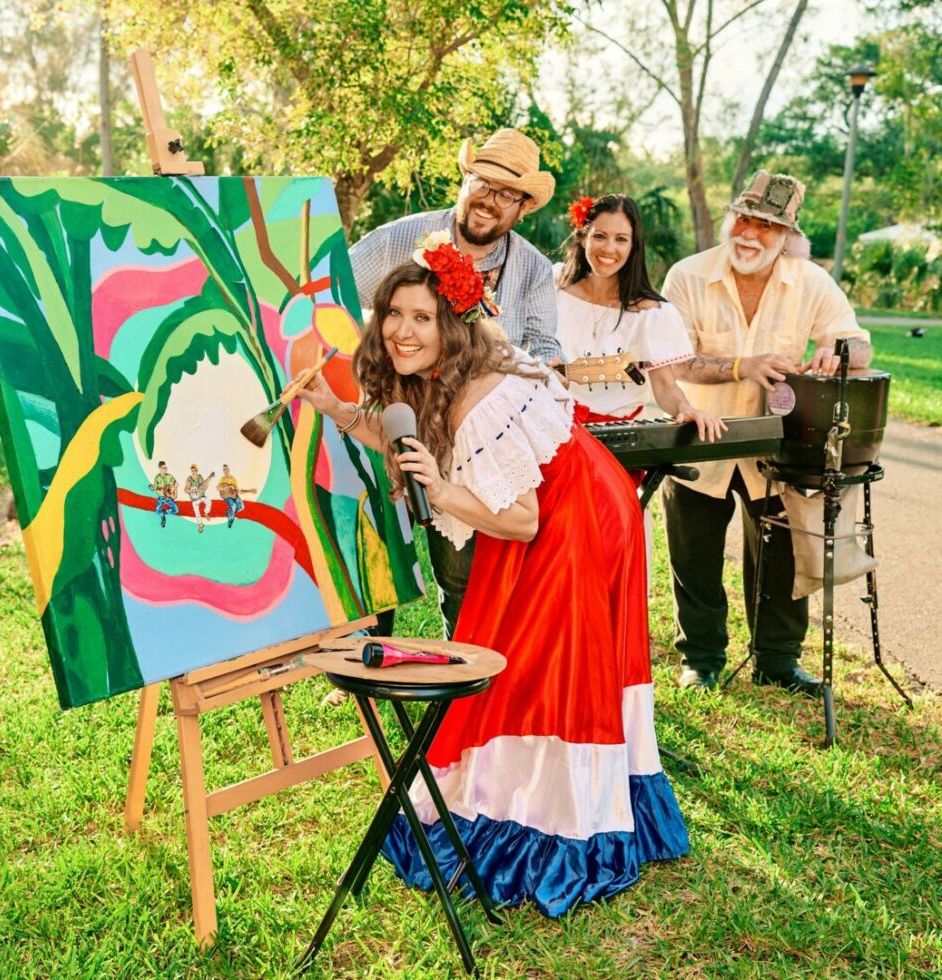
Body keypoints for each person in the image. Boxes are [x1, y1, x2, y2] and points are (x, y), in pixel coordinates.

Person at [299, 237, 689, 915]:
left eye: (421, 317)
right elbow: (405, 438)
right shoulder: (436, 376)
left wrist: (439, 489)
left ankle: (555, 816)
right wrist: (336, 410)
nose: (401, 330)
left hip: (574, 517)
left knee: (547, 665)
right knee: (516, 654)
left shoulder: (482, 397)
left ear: (450, 326)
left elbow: (520, 521)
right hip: (554, 505)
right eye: (393, 314)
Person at [661, 171, 872, 695]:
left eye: (768, 226)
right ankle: (701, 659)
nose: (750, 234)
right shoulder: (687, 275)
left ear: (788, 237)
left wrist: (837, 352)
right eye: (745, 219)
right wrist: (742, 366)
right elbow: (672, 361)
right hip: (697, 438)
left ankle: (777, 660)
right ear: (731, 218)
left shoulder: (811, 282)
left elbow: (859, 345)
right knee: (694, 556)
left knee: (780, 558)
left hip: (778, 448)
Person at [350, 128, 561, 639]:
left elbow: (545, 349)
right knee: (375, 551)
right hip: (395, 416)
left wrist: (506, 386)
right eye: (483, 183)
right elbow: (333, 291)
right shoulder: (400, 238)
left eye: (507, 194)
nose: (490, 200)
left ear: (524, 207)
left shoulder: (533, 268)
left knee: (459, 571)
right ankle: (368, 657)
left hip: (473, 437)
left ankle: (463, 664)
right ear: (464, 179)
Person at [556, 193, 725, 435]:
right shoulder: (554, 286)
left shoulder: (652, 314)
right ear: (583, 238)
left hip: (614, 437)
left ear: (634, 246)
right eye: (600, 236)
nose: (609, 248)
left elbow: (665, 386)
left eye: (621, 239)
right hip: (549, 429)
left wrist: (685, 408)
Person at [184, 464, 214, 533]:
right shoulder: (189, 479)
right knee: (196, 511)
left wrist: (209, 477)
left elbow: (204, 485)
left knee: (208, 501)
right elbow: (185, 490)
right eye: (192, 470)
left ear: (197, 470)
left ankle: (206, 512)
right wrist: (191, 490)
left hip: (201, 496)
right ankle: (200, 524)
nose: (193, 472)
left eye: (195, 470)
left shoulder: (200, 477)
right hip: (194, 499)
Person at [148, 462, 178, 528]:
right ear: (160, 469)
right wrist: (157, 489)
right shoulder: (157, 478)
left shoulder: (169, 476)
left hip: (169, 497)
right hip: (161, 498)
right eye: (164, 468)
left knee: (176, 510)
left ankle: (164, 512)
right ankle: (163, 516)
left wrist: (172, 490)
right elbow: (157, 490)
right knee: (157, 511)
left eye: (166, 468)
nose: (165, 469)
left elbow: (176, 483)